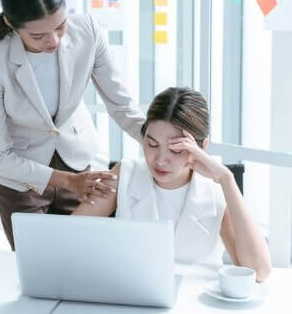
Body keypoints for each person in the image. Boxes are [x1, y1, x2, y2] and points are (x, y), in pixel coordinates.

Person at [0, 0, 144, 250]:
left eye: (60, 26)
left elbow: (121, 104)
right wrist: (67, 181)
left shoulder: (88, 31)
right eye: (38, 36)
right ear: (11, 24)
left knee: (81, 261)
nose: (52, 41)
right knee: (37, 268)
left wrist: (158, 142)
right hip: (22, 180)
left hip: (77, 162)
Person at [73, 87, 272, 281]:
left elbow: (259, 271)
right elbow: (68, 236)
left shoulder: (216, 190)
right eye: (151, 144)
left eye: (176, 150)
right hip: (133, 300)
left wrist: (226, 180)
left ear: (202, 147)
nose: (160, 160)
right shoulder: (125, 174)